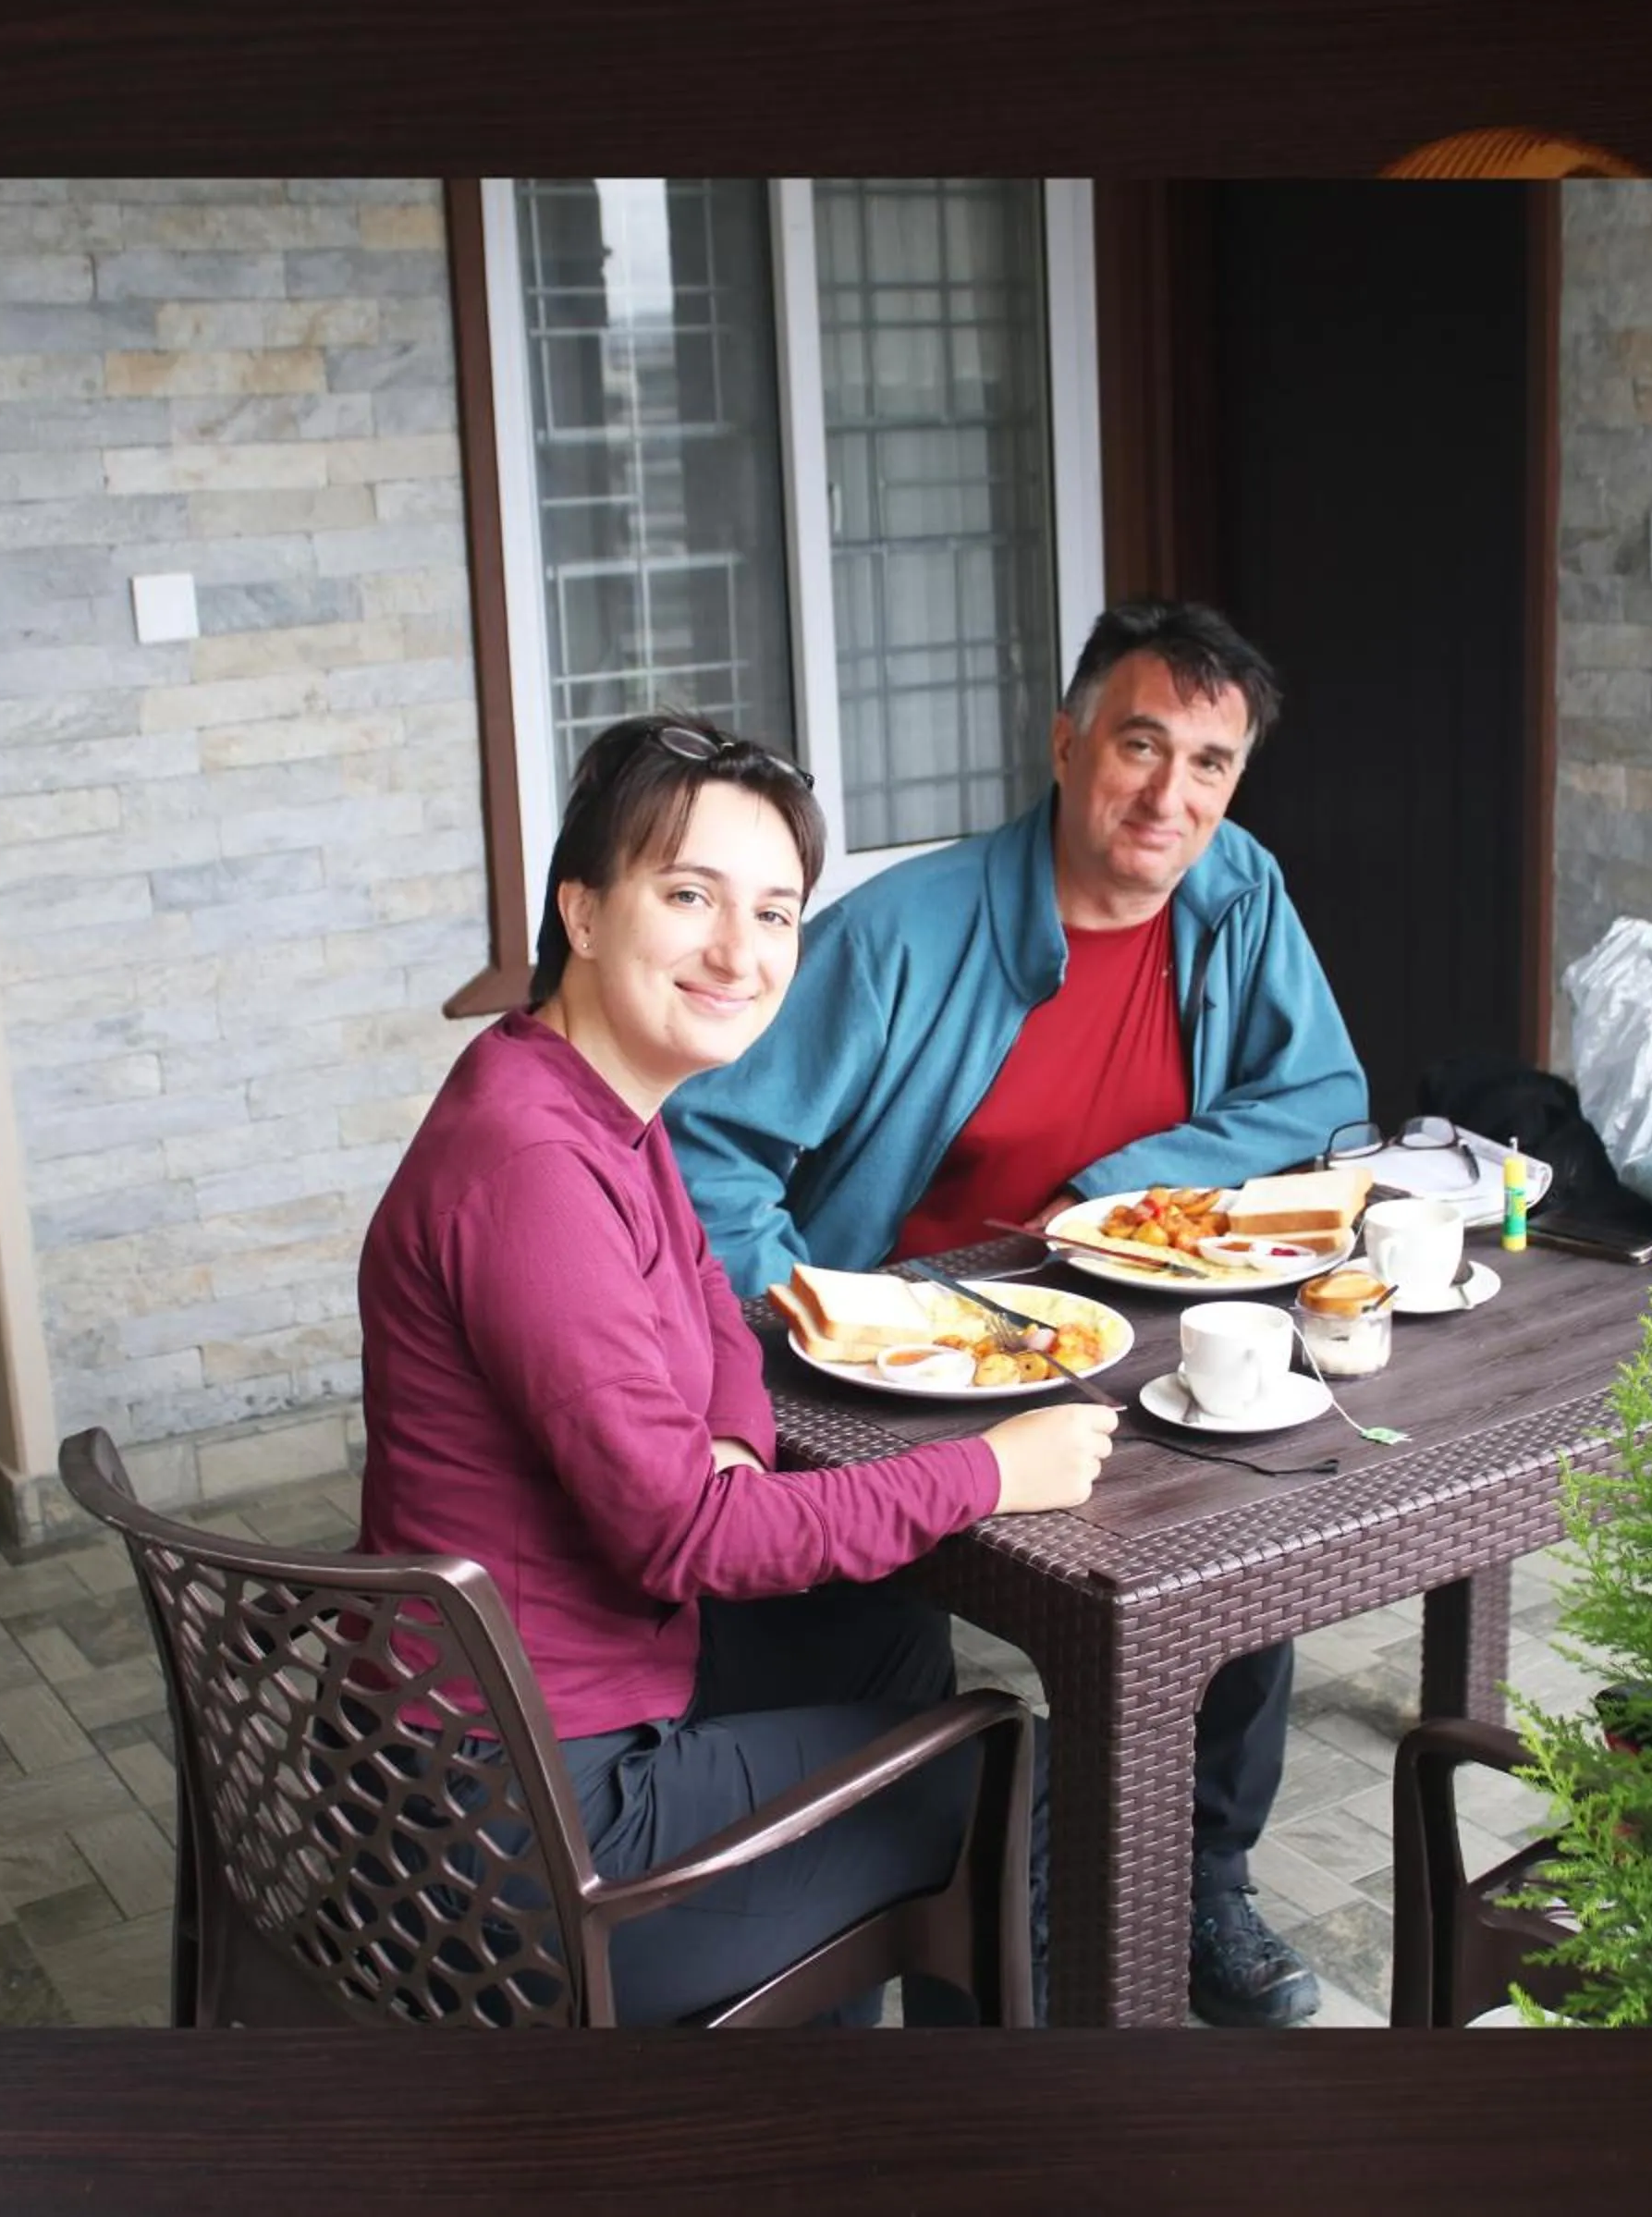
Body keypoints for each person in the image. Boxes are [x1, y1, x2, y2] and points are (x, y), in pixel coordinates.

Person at [352, 709, 1117, 2027]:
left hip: (520, 1721)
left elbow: (713, 1315)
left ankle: (799, 2042)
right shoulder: (535, 1165)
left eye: (774, 913)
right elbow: (681, 1535)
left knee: (882, 1634)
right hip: (522, 1830)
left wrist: (730, 1449)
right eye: (690, 895)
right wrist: (990, 1468)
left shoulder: (586, 1092)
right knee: (1018, 1770)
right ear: (582, 910)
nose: (739, 951)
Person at [664, 599, 1368, 2027]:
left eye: (1212, 765)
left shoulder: (1239, 893)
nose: (1171, 798)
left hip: (1127, 1333)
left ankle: (1202, 1882)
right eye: (1139, 745)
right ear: (1066, 743)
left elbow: (1318, 1098)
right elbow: (707, 1149)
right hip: (897, 1357)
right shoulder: (902, 932)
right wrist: (801, 1330)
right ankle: (898, 1910)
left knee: (1243, 1529)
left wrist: (1123, 1183)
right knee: (831, 1648)